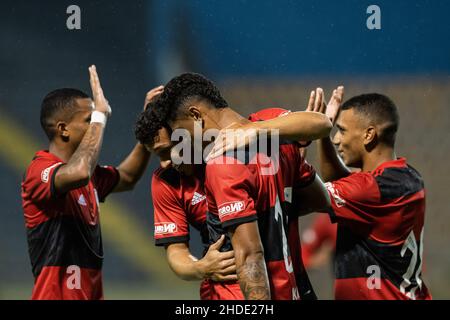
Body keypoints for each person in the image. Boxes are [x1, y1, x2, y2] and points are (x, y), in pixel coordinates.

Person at [136, 72, 333, 300]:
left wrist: (286, 178)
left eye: (170, 147)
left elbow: (319, 124)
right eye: (158, 155)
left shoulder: (234, 153)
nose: (166, 161)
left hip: (271, 286)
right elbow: (177, 253)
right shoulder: (168, 181)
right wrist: (200, 267)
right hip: (241, 289)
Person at [21, 66, 151, 300]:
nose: (96, 126)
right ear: (63, 129)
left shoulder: (89, 176)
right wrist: (100, 116)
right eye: (88, 120)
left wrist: (147, 130)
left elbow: (128, 178)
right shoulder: (39, 170)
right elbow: (79, 171)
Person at [313, 88, 432, 300]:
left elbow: (308, 195)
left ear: (369, 135)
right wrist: (323, 135)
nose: (336, 139)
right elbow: (339, 181)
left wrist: (294, 144)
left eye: (341, 130)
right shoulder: (406, 177)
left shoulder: (374, 189)